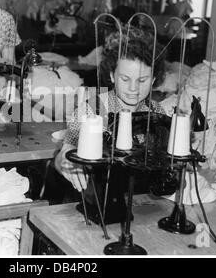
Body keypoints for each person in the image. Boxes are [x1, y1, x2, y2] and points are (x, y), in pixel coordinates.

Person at [54, 26, 166, 193]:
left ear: (153, 79)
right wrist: (66, 159)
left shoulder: (157, 110)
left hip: (143, 198)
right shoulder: (93, 109)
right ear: (112, 76)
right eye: (125, 79)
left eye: (142, 80)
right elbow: (66, 149)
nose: (133, 88)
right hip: (100, 194)